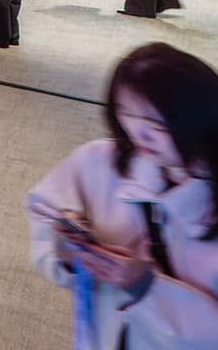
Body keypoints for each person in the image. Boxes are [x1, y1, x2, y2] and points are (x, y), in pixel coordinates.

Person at [25, 43, 218, 349]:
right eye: (126, 113)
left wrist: (145, 287)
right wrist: (69, 248)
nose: (137, 134)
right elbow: (44, 210)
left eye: (155, 123)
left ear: (196, 117)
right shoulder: (99, 160)